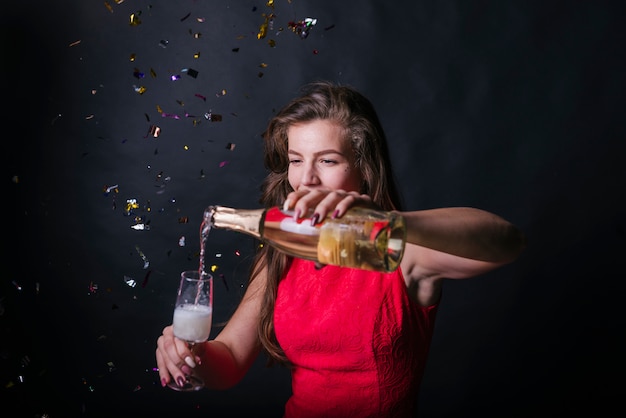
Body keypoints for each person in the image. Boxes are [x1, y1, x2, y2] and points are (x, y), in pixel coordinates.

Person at [156, 80, 526, 416]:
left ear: (363, 168)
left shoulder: (398, 248)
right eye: (296, 160)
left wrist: (389, 224)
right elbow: (232, 358)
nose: (306, 179)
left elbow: (507, 241)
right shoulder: (283, 249)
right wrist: (191, 358)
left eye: (328, 160)